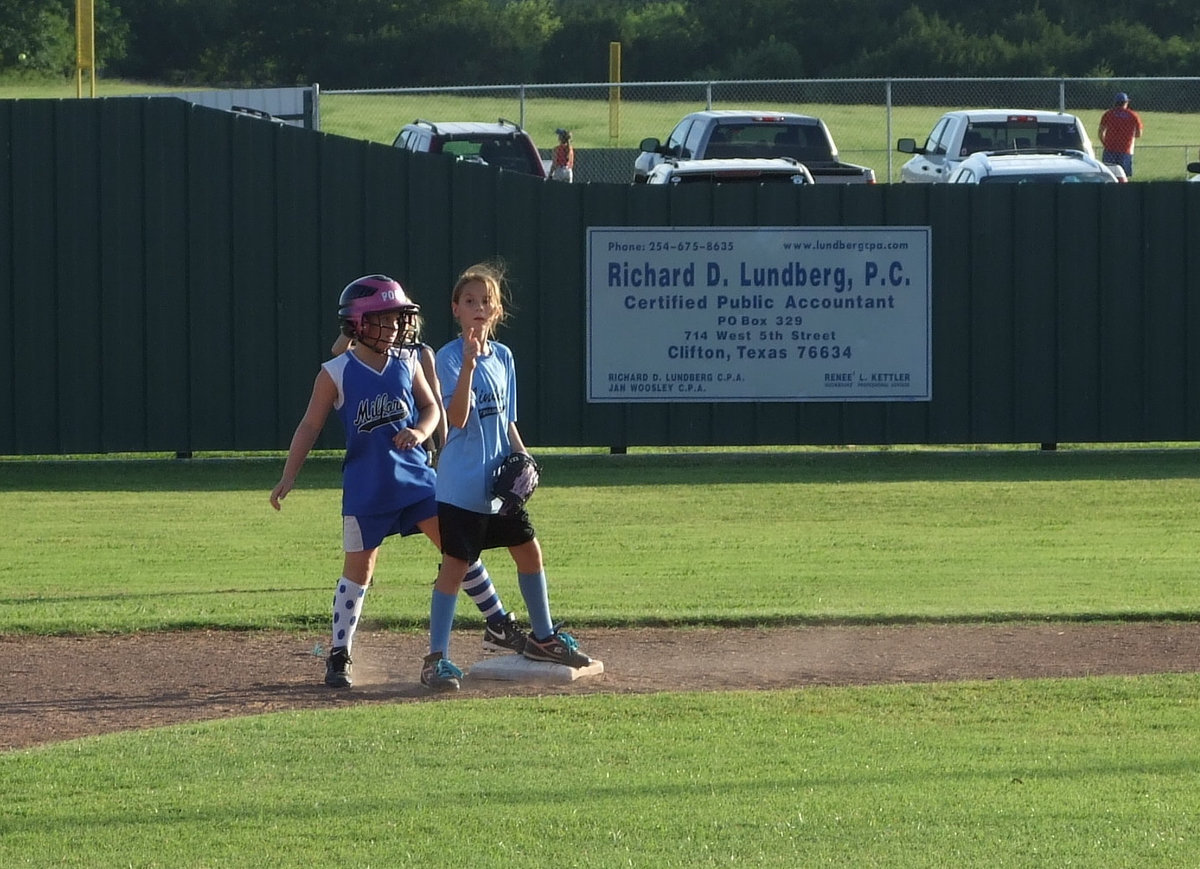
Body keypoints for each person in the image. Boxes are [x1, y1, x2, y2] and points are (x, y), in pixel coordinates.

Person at [270, 275, 526, 689]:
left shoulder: (408, 361)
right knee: (360, 569)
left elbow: (431, 408)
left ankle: (498, 621)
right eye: (381, 321)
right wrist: (288, 475)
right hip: (366, 488)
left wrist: (423, 433)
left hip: (417, 480)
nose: (393, 329)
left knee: (457, 547)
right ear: (357, 325)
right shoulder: (335, 372)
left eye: (397, 320)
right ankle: (339, 653)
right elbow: (309, 426)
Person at [421, 262, 592, 691]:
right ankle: (435, 659)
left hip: (498, 486)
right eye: (469, 301)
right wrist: (468, 365)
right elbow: (456, 419)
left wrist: (524, 457)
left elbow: (508, 421)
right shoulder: (447, 358)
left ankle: (544, 637)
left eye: (486, 302)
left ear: (496, 311)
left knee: (528, 550)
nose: (478, 307)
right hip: (460, 484)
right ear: (456, 309)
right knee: (455, 568)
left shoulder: (505, 357)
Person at [1098, 92, 1143, 178]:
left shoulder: (1108, 114)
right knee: (1124, 176)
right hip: (1125, 149)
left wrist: (1105, 143)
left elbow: (1100, 132)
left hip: (1110, 149)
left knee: (1108, 175)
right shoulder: (1133, 115)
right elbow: (1139, 134)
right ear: (1126, 103)